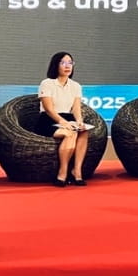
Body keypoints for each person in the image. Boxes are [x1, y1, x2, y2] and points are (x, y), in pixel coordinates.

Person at [34, 52, 90, 187]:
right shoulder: (47, 83)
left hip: (68, 118)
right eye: (63, 63)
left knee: (83, 132)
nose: (67, 66)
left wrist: (79, 121)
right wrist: (62, 122)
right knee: (70, 133)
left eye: (70, 63)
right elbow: (49, 109)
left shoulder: (76, 86)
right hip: (49, 120)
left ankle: (77, 171)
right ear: (56, 65)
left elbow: (76, 108)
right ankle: (63, 173)